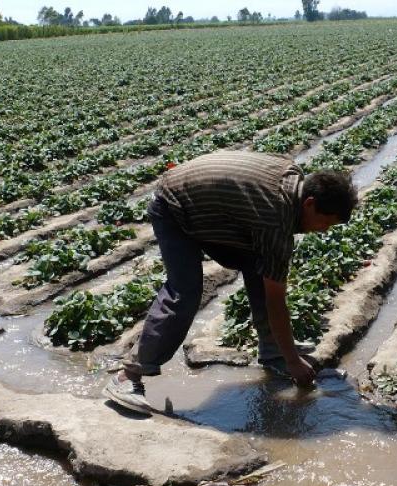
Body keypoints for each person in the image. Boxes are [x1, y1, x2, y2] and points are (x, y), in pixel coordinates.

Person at [103, 150, 358, 414]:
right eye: (324, 222)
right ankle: (127, 376)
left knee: (261, 268)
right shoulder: (276, 218)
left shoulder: (294, 182)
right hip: (174, 206)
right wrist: (294, 360)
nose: (323, 230)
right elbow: (275, 299)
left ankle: (273, 354)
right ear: (309, 204)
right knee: (185, 290)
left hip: (208, 205)